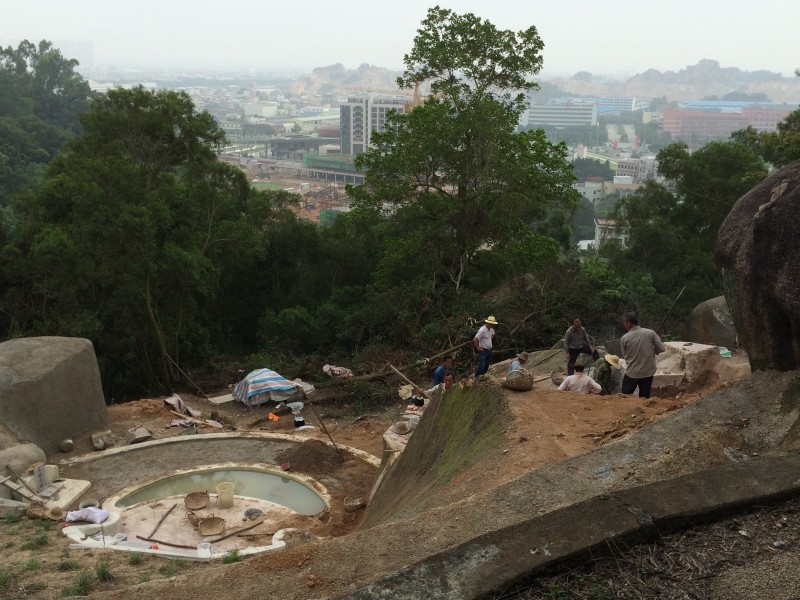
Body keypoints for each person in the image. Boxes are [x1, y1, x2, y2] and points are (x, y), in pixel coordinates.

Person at [620, 312, 666, 399]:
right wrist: (653, 350)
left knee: (624, 398)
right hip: (648, 372)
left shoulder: (625, 338)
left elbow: (625, 355)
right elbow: (662, 348)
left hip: (632, 373)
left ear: (628, 323)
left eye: (624, 323)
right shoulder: (651, 333)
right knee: (644, 399)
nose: (624, 325)